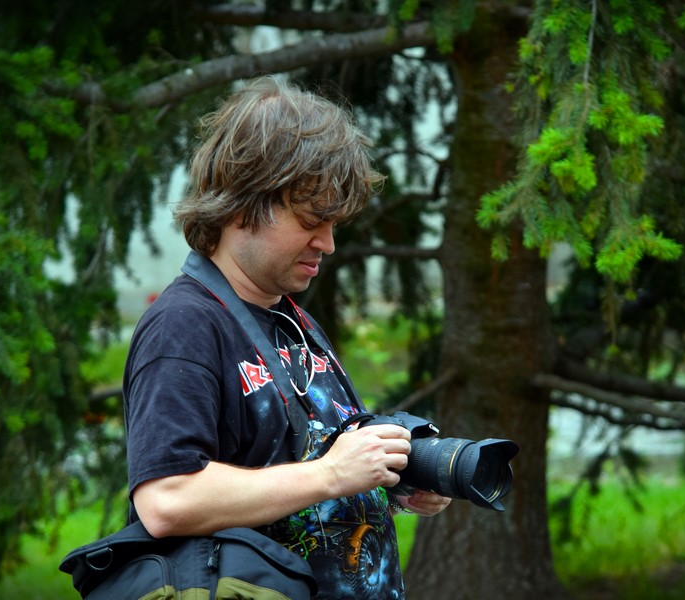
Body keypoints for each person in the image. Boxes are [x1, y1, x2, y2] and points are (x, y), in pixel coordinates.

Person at [122, 76, 451, 599]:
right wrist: (333, 475)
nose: (329, 243)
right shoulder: (183, 325)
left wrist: (390, 484)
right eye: (312, 221)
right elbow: (166, 500)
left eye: (334, 223)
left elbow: (300, 473)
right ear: (242, 205)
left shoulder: (293, 320)